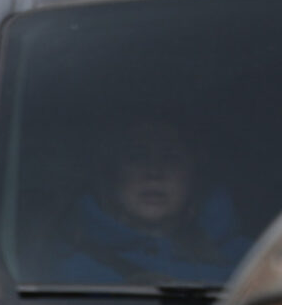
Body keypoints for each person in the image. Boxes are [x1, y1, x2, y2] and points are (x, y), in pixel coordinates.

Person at [53, 121, 248, 286]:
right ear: (112, 175)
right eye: (136, 157)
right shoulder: (72, 271)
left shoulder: (250, 264)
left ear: (193, 177)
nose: (154, 172)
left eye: (171, 158)